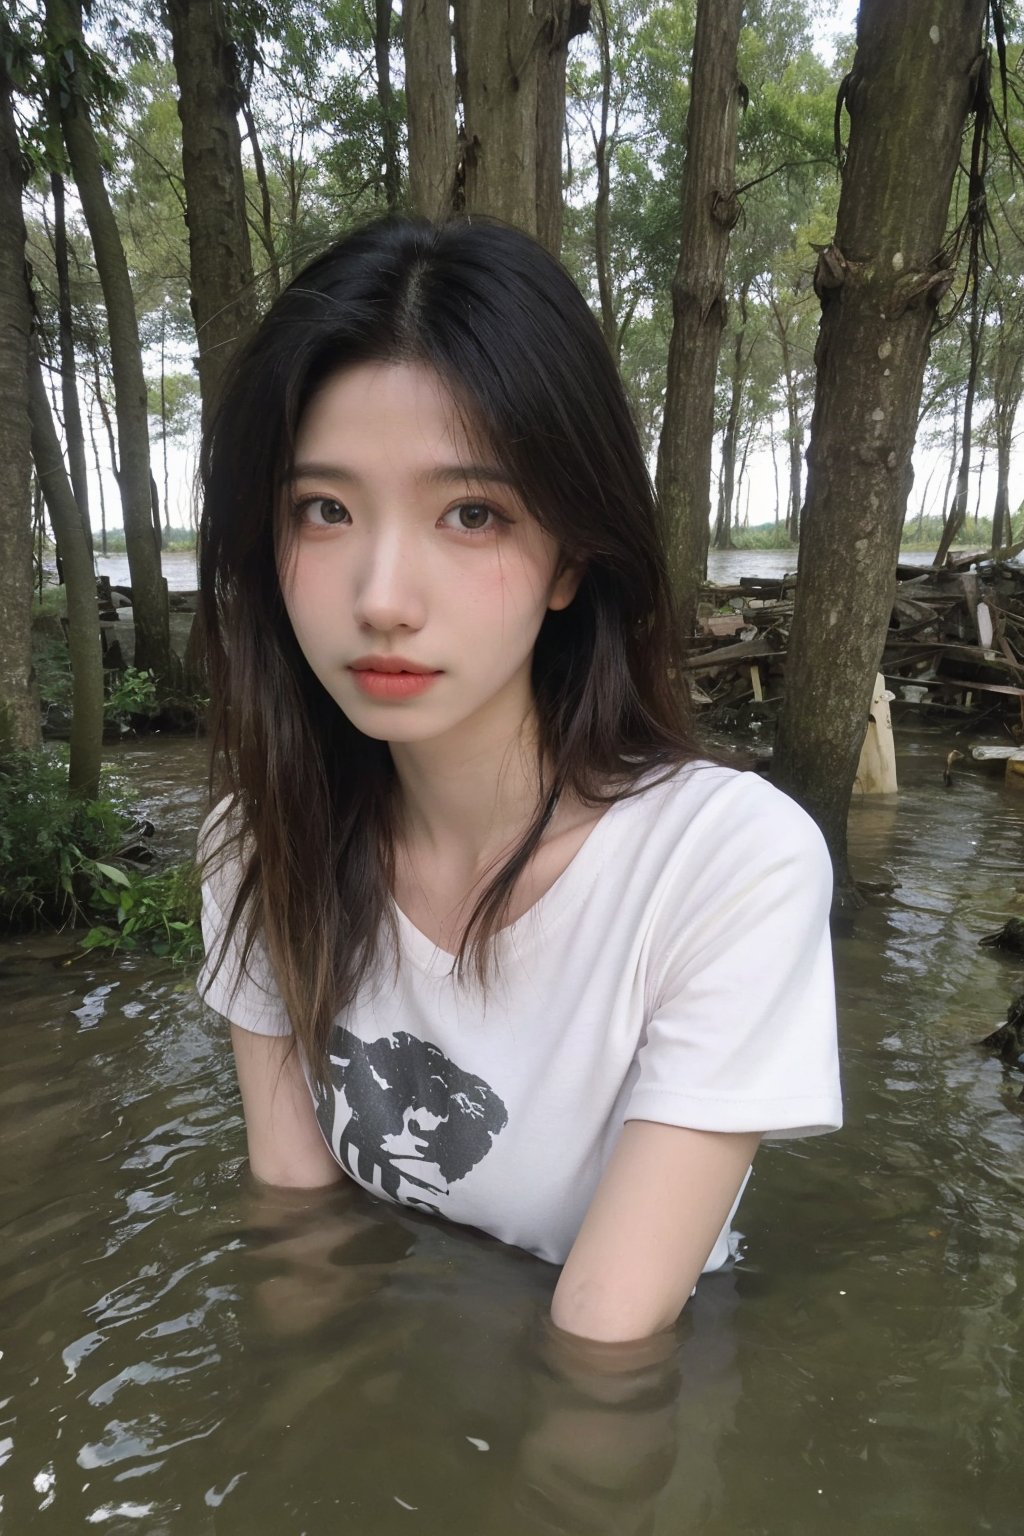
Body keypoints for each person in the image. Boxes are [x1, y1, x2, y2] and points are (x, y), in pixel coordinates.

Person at [196, 213, 843, 1345]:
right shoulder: (260, 839)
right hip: (399, 1338)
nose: (383, 595)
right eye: (325, 509)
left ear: (569, 562)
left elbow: (606, 1337)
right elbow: (296, 1217)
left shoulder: (725, 865)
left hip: (632, 1366)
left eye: (471, 513)